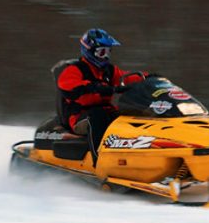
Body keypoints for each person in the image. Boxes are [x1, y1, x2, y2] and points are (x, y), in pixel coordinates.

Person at [56, 28, 144, 165]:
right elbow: (68, 86)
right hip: (79, 116)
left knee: (130, 116)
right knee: (97, 116)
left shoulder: (109, 70)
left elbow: (125, 78)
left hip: (106, 111)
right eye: (102, 52)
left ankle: (137, 157)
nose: (106, 56)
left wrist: (149, 78)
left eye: (108, 51)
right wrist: (94, 87)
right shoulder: (74, 70)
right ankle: (100, 161)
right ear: (89, 50)